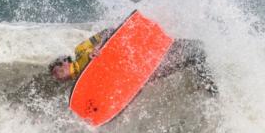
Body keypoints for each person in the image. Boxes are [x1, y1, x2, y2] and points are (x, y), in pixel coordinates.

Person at [49, 28, 218, 94]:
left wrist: (98, 48)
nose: (56, 78)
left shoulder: (81, 51)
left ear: (63, 62)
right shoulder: (81, 87)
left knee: (194, 50)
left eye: (55, 72)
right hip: (138, 71)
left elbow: (109, 31)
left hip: (136, 56)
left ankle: (209, 87)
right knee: (191, 56)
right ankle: (209, 90)